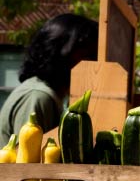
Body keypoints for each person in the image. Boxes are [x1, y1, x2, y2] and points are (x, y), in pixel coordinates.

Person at [0, 13, 99, 143]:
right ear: (62, 53)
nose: (93, 63)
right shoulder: (38, 96)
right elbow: (26, 161)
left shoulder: (51, 96)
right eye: (88, 55)